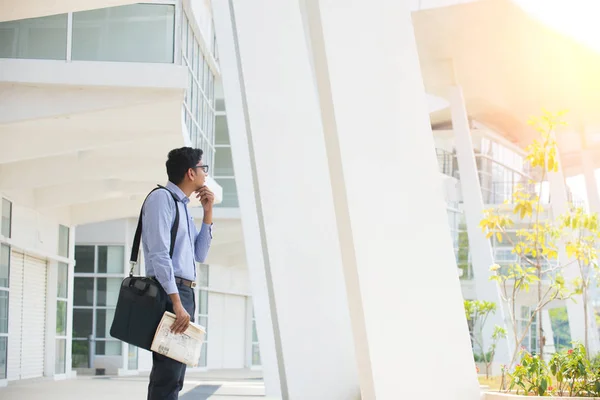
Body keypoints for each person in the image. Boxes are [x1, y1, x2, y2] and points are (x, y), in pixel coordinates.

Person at [142, 147, 214, 400]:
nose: (206, 174)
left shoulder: (183, 206)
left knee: (176, 374)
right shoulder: (162, 199)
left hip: (184, 292)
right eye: (203, 168)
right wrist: (176, 303)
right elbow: (159, 255)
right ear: (190, 172)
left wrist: (207, 212)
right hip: (169, 292)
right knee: (167, 374)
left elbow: (200, 254)